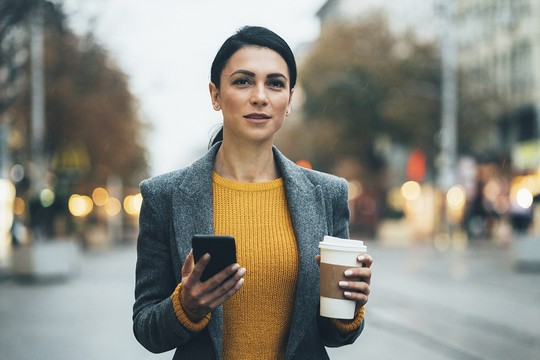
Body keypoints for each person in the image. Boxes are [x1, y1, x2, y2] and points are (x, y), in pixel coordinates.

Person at [133, 25, 373, 360]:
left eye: (275, 84)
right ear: (215, 95)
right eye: (243, 81)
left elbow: (335, 336)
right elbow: (146, 329)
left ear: (289, 100)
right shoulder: (165, 196)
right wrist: (185, 305)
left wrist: (348, 308)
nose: (260, 96)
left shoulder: (327, 194)